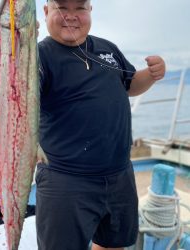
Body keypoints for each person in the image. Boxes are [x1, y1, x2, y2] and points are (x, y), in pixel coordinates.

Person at [35, 0, 166, 250]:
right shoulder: (39, 56)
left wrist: (150, 75)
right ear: (46, 11)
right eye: (61, 8)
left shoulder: (108, 48)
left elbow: (129, 85)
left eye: (79, 8)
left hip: (119, 174)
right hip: (66, 179)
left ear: (90, 11)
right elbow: (18, 91)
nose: (71, 16)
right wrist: (14, 51)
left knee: (113, 244)